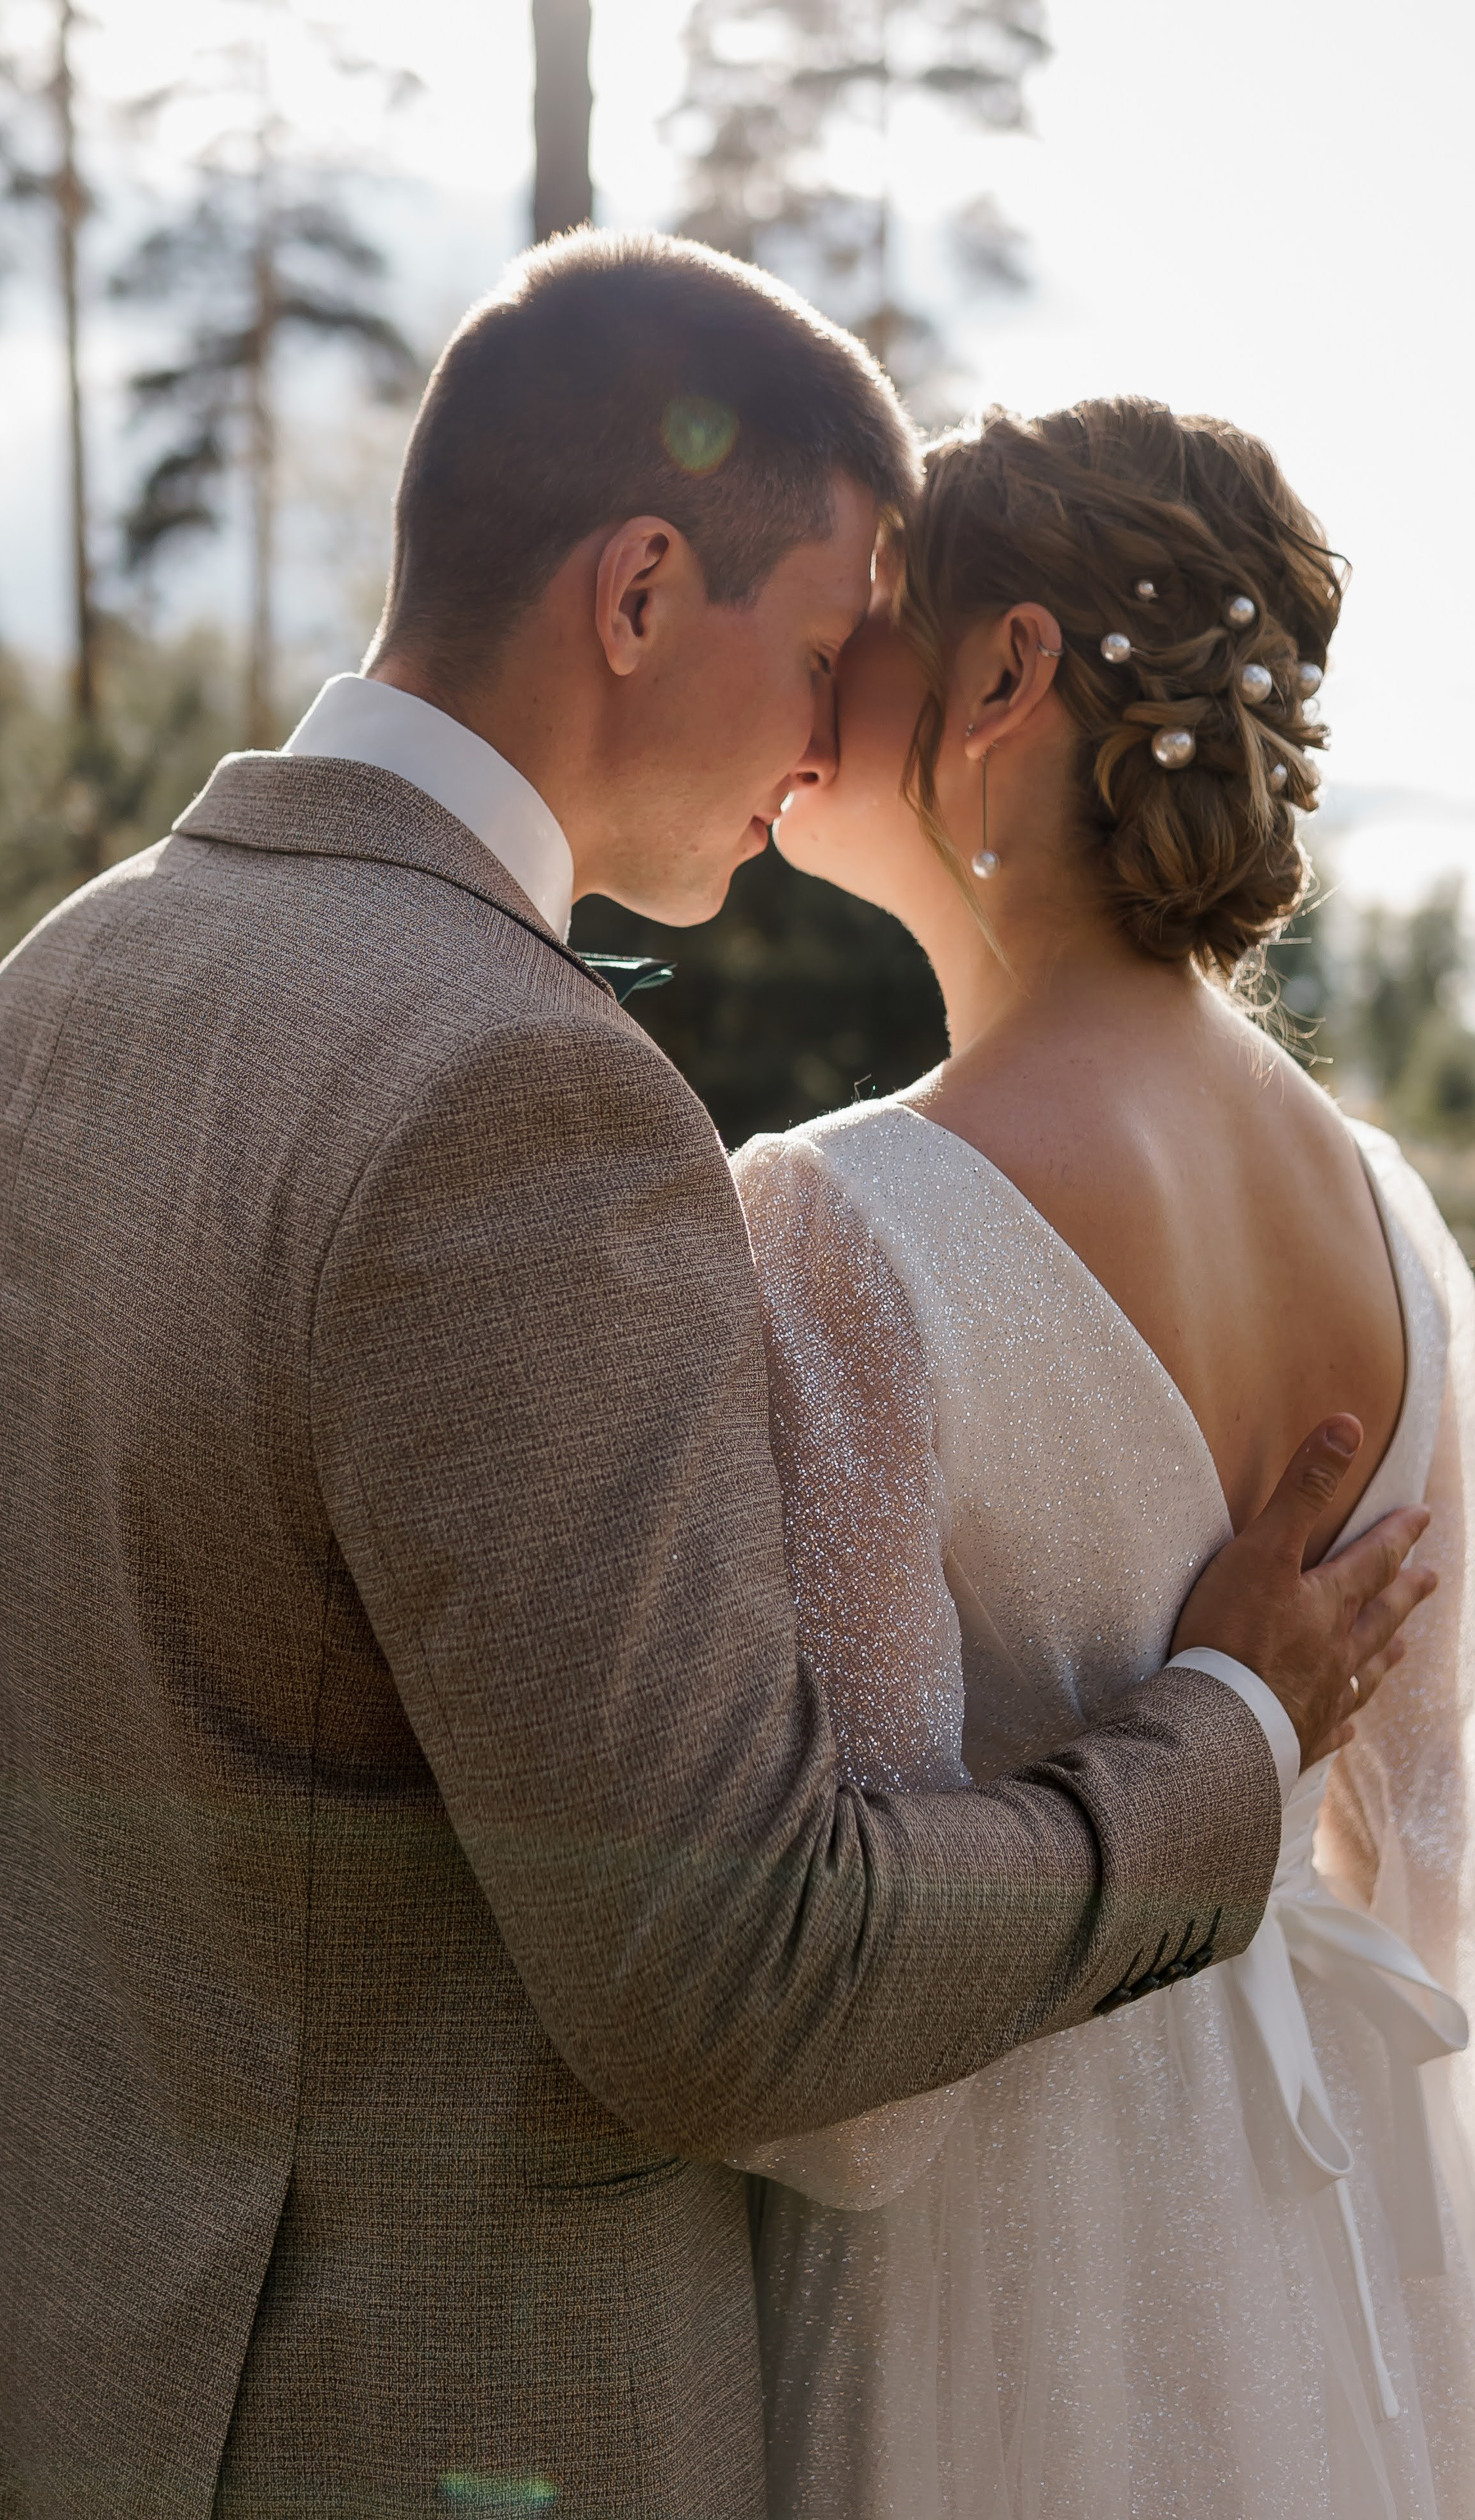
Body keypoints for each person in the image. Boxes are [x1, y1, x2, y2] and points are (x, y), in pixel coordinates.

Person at [0, 244, 1430, 2520]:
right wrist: (1229, 1738)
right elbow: (728, 1978)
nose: (834, 723)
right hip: (416, 2429)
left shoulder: (39, 1001)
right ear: (643, 590)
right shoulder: (520, 1097)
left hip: (46, 2382)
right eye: (826, 638)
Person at [743, 396, 1475, 2520]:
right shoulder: (1391, 1220)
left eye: (867, 621)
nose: (818, 668)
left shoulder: (838, 1228)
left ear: (1006, 673)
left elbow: (842, 2061)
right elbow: (1432, 1867)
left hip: (1003, 2290)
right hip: (1335, 2248)